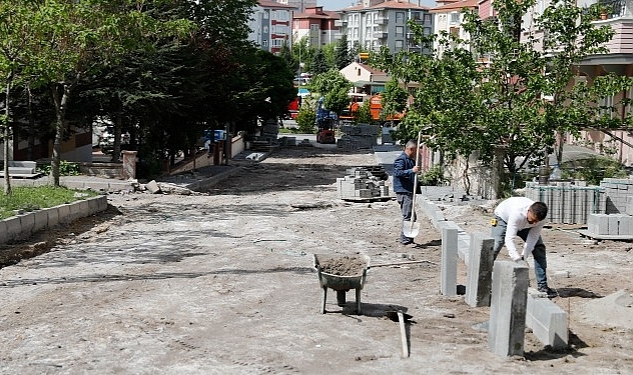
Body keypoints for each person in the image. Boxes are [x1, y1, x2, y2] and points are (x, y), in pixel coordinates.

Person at [491, 197, 556, 298]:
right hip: (503, 219)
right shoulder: (517, 213)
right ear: (529, 211)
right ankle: (483, 281)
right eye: (533, 219)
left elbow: (533, 238)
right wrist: (517, 258)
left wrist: (524, 256)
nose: (535, 223)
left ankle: (543, 286)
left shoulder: (540, 220)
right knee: (495, 246)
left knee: (539, 248)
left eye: (537, 221)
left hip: (525, 225)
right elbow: (509, 239)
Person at [393, 139, 421, 246]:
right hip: (403, 191)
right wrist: (411, 171)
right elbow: (397, 172)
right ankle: (405, 239)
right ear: (411, 149)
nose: (417, 153)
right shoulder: (401, 159)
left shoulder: (410, 159)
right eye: (416, 151)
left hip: (408, 190)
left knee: (412, 216)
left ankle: (409, 238)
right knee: (408, 215)